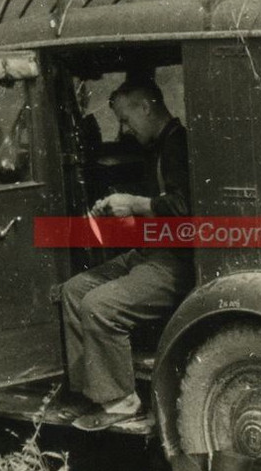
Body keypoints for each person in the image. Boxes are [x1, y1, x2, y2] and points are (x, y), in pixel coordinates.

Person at [60, 77, 194, 431]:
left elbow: (184, 208)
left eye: (125, 120)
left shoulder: (178, 145)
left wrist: (134, 204)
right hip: (149, 252)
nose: (124, 130)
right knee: (74, 291)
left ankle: (123, 401)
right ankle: (93, 391)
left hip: (175, 262)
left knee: (99, 306)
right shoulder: (158, 146)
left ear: (145, 107)